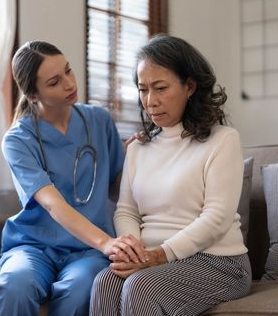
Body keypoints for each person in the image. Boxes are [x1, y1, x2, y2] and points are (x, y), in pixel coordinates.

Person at [90, 34, 252, 316]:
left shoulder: (223, 140)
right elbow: (126, 210)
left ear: (189, 86)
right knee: (105, 282)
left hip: (219, 262)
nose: (150, 101)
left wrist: (159, 255)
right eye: (143, 90)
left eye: (160, 88)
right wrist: (134, 250)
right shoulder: (139, 147)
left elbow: (217, 217)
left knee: (141, 287)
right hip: (153, 258)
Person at [0, 41, 146, 316]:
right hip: (34, 246)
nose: (69, 83)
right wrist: (106, 243)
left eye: (68, 71)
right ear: (33, 94)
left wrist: (137, 155)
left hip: (87, 251)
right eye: (54, 82)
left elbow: (116, 187)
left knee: (82, 287)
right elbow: (53, 204)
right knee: (15, 285)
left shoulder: (99, 120)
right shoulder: (18, 140)